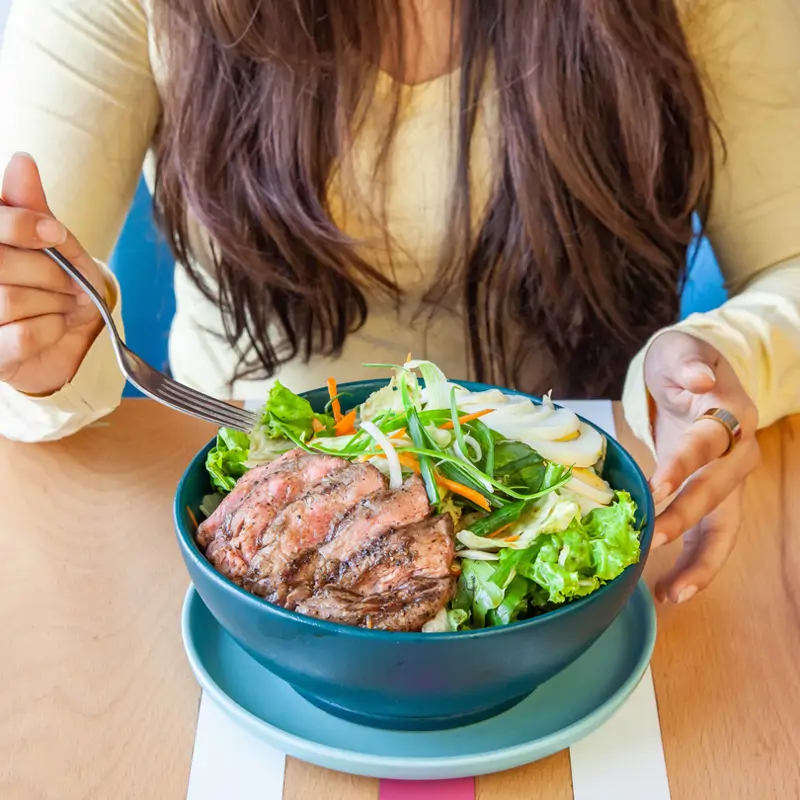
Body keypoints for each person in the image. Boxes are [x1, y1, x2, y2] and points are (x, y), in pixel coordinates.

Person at [0, 0, 797, 606]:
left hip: (590, 514)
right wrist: (35, 351)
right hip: (236, 525)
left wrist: (730, 354)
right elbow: (29, 265)